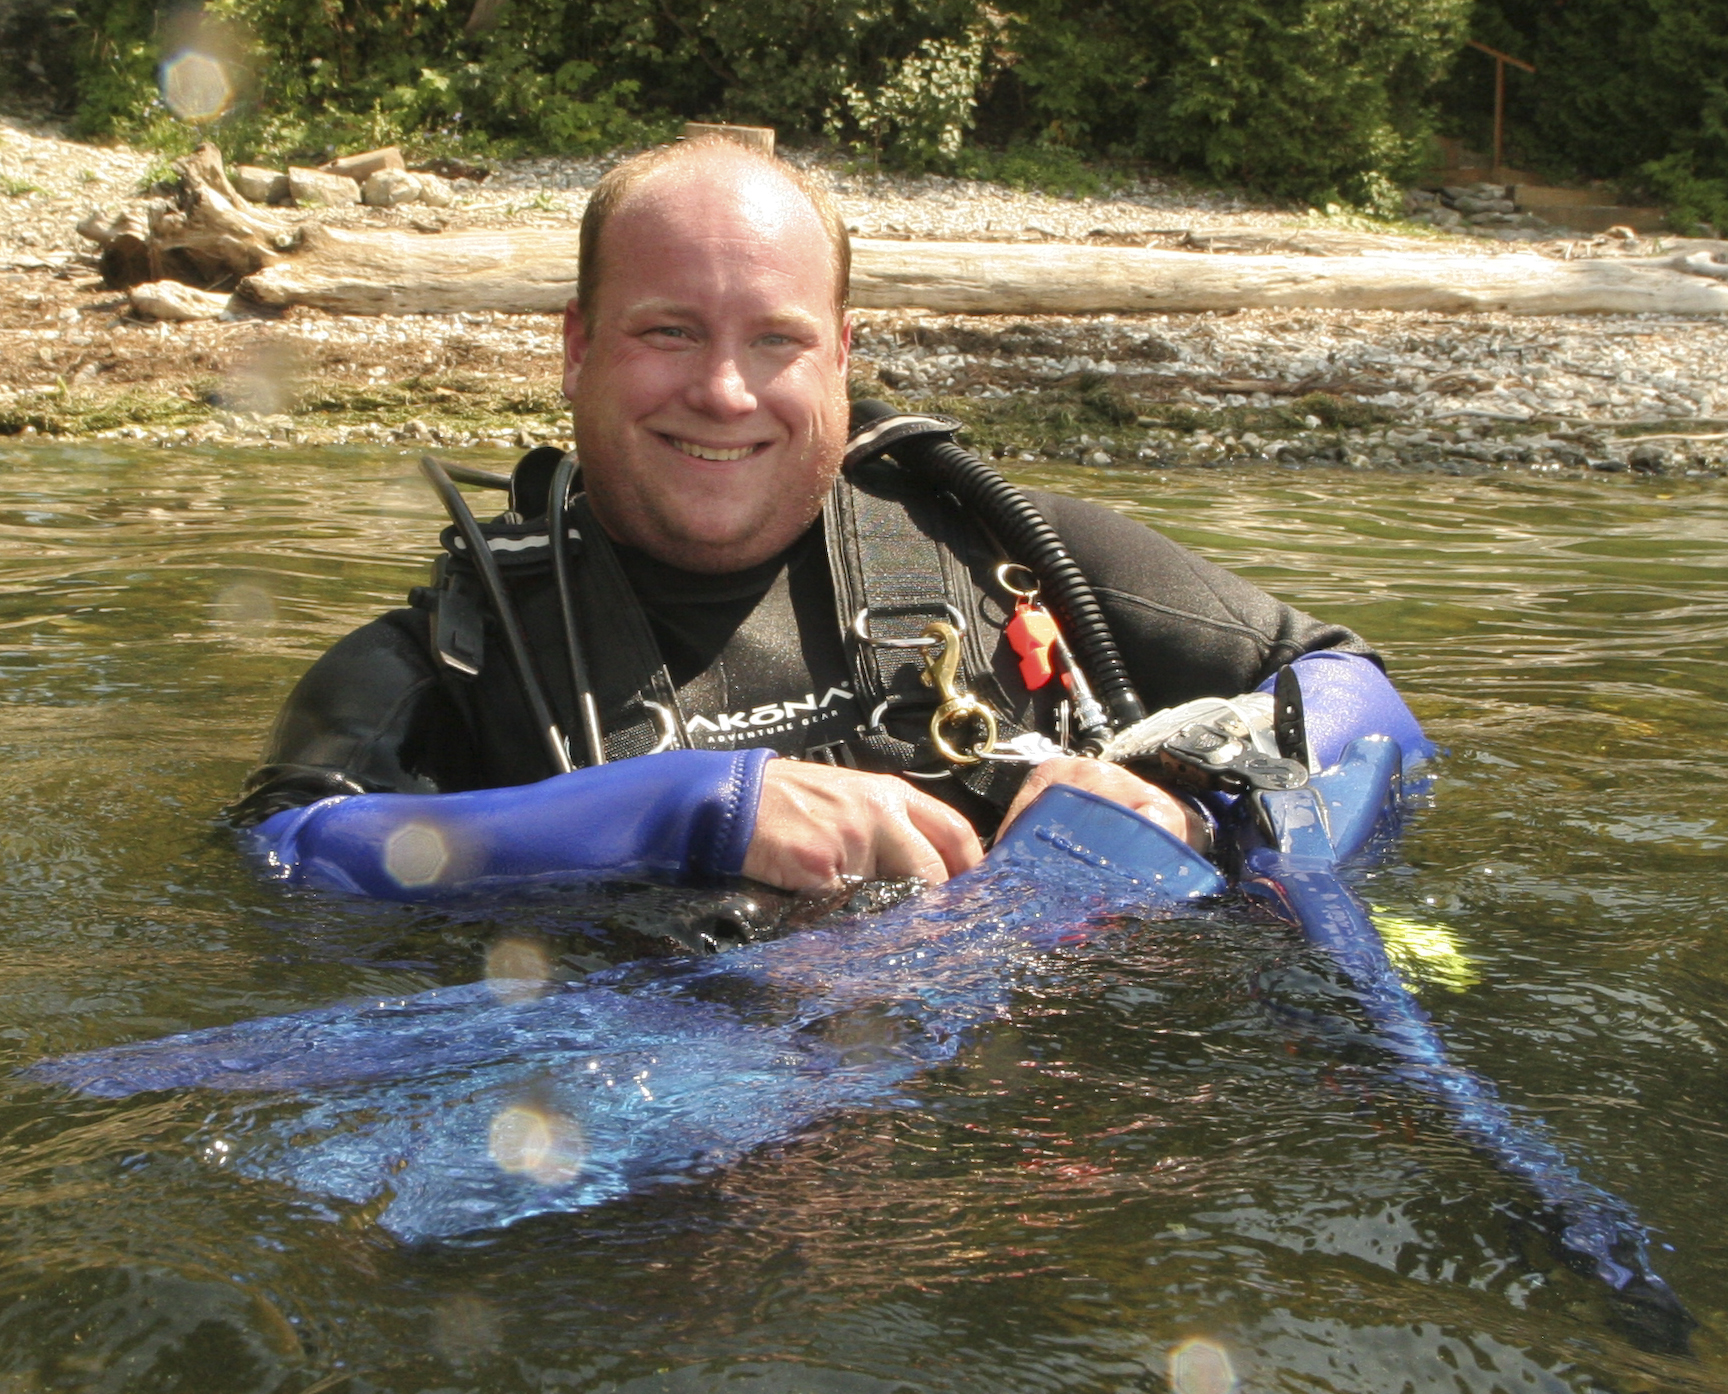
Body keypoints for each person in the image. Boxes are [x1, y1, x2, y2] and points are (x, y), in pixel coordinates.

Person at [232, 136, 1378, 900]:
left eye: (776, 340)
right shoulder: (452, 663)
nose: (724, 392)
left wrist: (1214, 801)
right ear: (578, 348)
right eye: (667, 331)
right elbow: (286, 856)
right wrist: (685, 813)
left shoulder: (1007, 550)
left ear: (841, 356)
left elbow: (1353, 689)